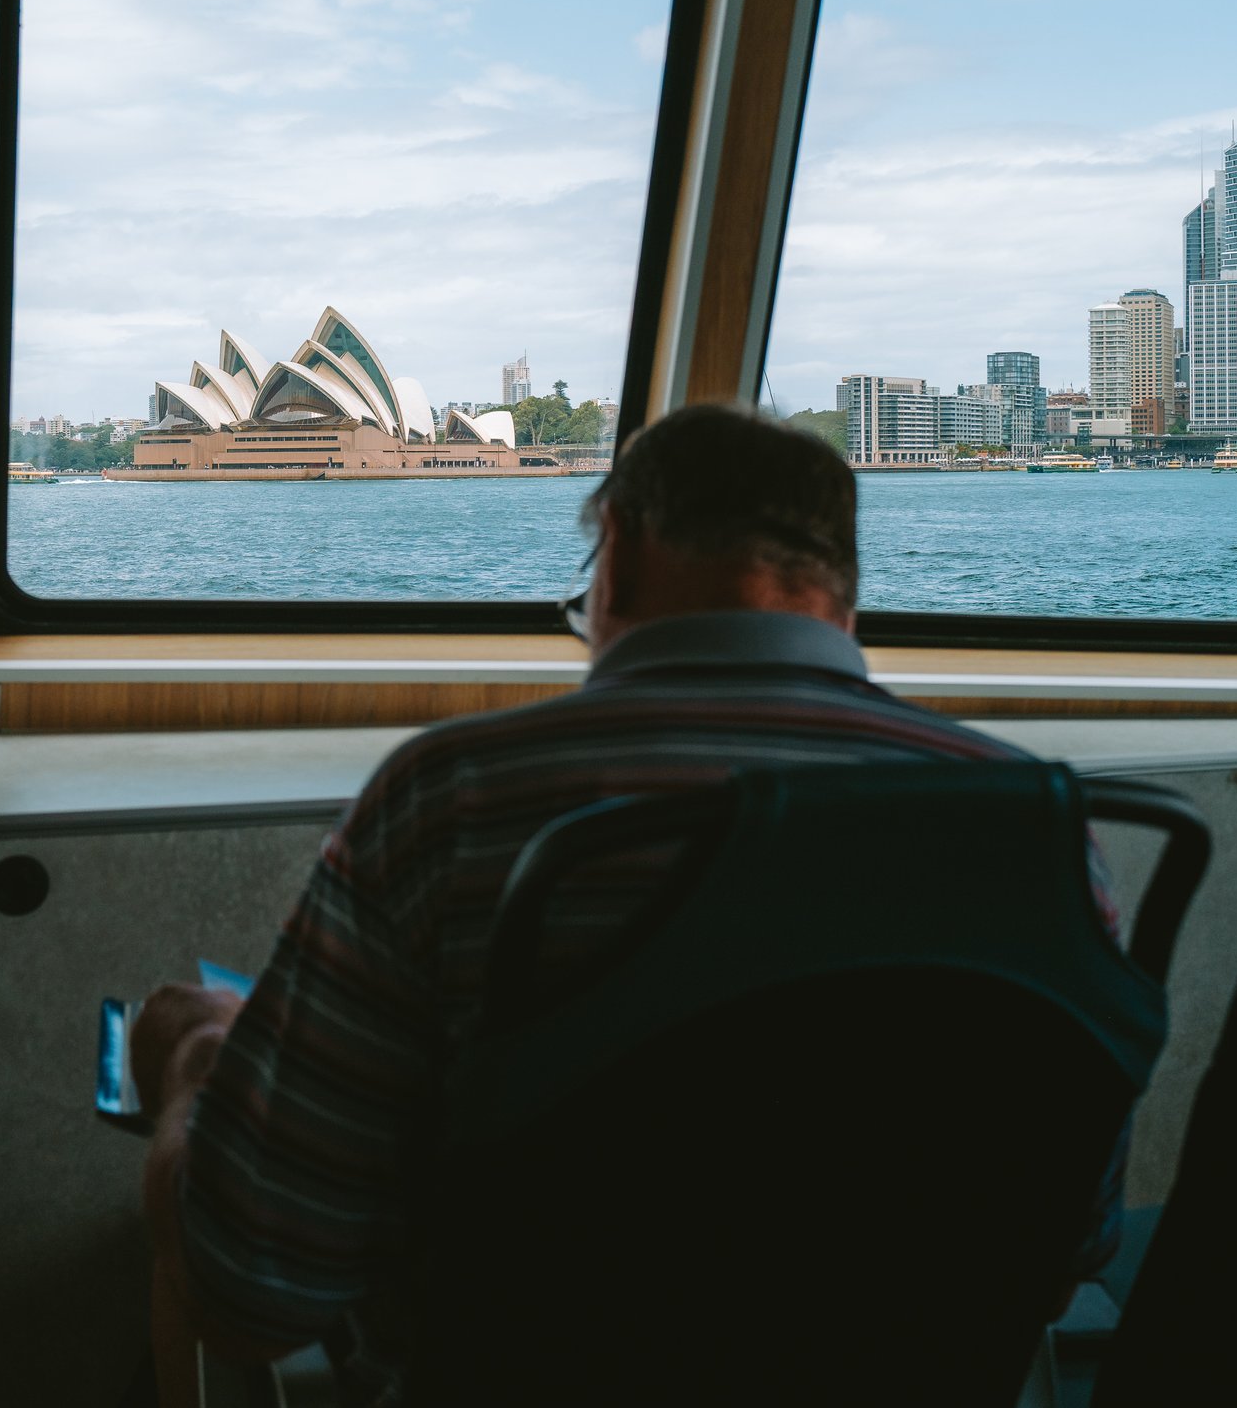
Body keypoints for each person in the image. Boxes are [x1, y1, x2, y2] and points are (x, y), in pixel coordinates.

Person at [130, 403, 1120, 1401]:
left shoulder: (457, 801)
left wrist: (201, 1055)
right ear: (841, 601)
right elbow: (1071, 1239)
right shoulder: (1040, 830)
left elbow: (250, 1284)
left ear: (621, 558)